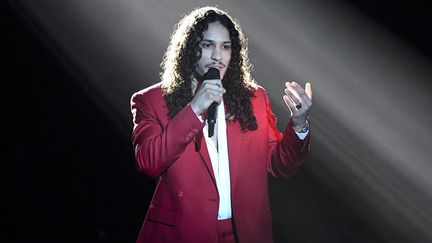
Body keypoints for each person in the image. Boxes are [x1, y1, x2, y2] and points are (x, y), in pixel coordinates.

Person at [130, 6, 312, 243]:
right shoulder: (152, 100)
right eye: (207, 45)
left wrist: (299, 125)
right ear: (188, 49)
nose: (218, 55)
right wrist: (195, 108)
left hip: (244, 233)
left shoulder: (254, 99)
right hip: (183, 234)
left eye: (225, 47)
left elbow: (280, 165)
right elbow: (149, 162)